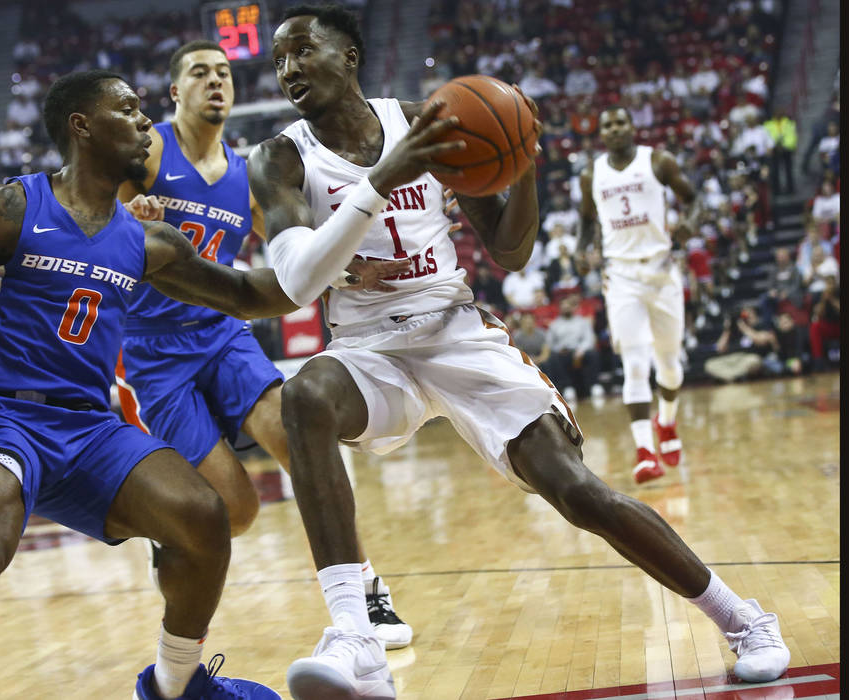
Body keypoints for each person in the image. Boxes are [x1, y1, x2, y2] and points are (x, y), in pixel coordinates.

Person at [250, 6, 789, 698]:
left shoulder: (429, 121)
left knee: (576, 491)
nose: (289, 68)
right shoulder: (280, 157)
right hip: (368, 349)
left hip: (456, 331)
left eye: (302, 51)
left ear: (349, 54)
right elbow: (296, 281)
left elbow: (509, 251)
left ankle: (744, 620)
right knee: (304, 396)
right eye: (279, 59)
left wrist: (524, 161)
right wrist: (384, 179)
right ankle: (358, 641)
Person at [0, 68, 380, 700]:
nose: (147, 122)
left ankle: (176, 687)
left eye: (145, 111)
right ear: (81, 126)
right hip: (5, 417)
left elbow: (244, 294)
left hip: (92, 426)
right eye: (128, 110)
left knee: (204, 517)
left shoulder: (148, 240)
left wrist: (332, 264)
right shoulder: (11, 206)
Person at [115, 40, 414, 650]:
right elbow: (94, 212)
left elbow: (302, 253)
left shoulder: (246, 172)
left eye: (223, 72)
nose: (215, 82)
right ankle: (166, 528)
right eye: (199, 73)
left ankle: (365, 591)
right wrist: (129, 213)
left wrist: (354, 270)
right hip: (153, 353)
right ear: (175, 93)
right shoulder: (147, 155)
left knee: (295, 431)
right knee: (236, 511)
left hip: (224, 335)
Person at [576, 105, 699, 483]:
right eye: (607, 123)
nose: (613, 128)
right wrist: (583, 252)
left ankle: (667, 422)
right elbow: (585, 222)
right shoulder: (590, 174)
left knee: (668, 363)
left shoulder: (658, 161)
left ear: (632, 126)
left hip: (661, 271)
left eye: (620, 122)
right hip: (621, 276)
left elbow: (692, 200)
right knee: (633, 361)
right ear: (601, 132)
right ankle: (645, 451)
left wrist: (688, 226)